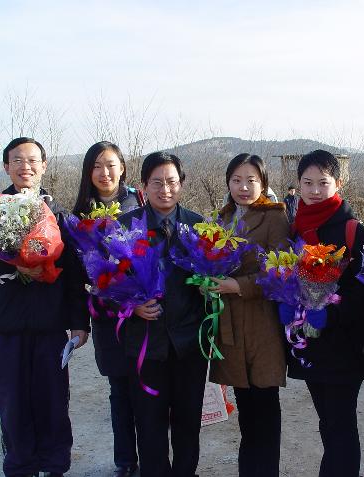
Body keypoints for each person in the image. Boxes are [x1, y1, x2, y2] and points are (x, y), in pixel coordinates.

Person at [0, 137, 89, 477]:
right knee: (13, 406)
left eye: (33, 160)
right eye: (17, 160)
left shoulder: (58, 217)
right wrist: (10, 264)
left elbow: (73, 277)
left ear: (44, 166)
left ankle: (55, 466)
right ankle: (20, 467)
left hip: (49, 330)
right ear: (7, 166)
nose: (26, 166)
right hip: (4, 330)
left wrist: (80, 323)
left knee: (53, 403)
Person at [280, 149, 364, 477]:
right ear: (298, 184)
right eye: (308, 183)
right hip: (311, 344)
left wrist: (331, 312)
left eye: (323, 182)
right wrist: (288, 301)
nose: (315, 190)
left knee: (341, 424)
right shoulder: (295, 228)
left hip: (344, 345)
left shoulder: (352, 229)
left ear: (338, 183)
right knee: (328, 423)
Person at [118, 151, 207, 477]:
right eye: (157, 182)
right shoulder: (127, 227)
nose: (165, 189)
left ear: (181, 183)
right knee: (149, 424)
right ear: (143, 185)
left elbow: (210, 282)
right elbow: (106, 284)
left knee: (188, 423)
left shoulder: (199, 226)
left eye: (171, 181)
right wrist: (131, 305)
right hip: (145, 344)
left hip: (188, 345)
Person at [208, 153, 289, 477]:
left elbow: (280, 270)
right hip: (230, 326)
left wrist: (237, 285)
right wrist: (206, 282)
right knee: (246, 412)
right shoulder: (222, 218)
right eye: (236, 180)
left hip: (262, 326)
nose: (243, 187)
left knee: (265, 409)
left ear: (263, 183)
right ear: (228, 183)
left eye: (251, 180)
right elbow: (208, 260)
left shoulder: (274, 217)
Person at [72, 141, 143, 477]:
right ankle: (126, 460)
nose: (104, 172)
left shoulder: (139, 204)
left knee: (146, 386)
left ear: (122, 167)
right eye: (97, 166)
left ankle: (152, 455)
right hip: (106, 314)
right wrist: (79, 322)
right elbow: (74, 276)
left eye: (111, 164)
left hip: (141, 311)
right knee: (119, 389)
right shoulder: (79, 214)